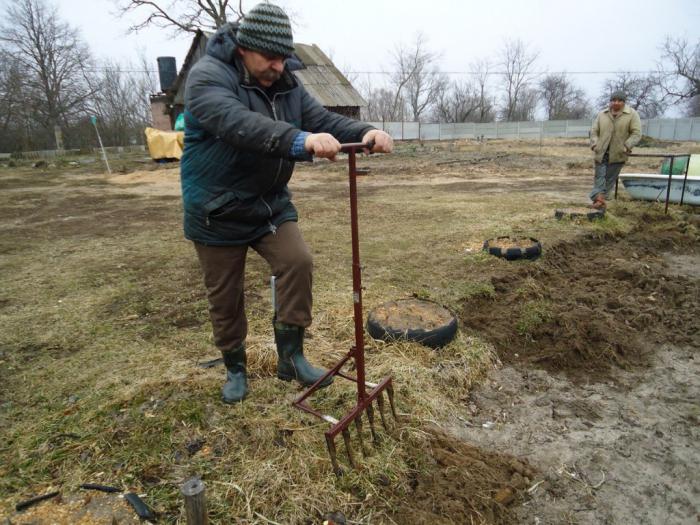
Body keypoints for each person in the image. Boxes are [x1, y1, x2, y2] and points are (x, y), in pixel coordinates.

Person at [180, 3, 393, 403]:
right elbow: (238, 124)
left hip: (268, 206)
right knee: (226, 297)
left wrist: (366, 130)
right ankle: (235, 369)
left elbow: (323, 120)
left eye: (283, 58)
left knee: (297, 262)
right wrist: (299, 141)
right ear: (245, 48)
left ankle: (291, 357)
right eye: (271, 58)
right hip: (216, 211)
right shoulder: (207, 79)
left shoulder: (286, 84)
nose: (279, 66)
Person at [589, 91, 642, 209]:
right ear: (610, 101)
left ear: (624, 102)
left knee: (609, 178)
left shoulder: (632, 114)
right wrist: (594, 143)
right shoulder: (602, 114)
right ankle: (599, 200)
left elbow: (636, 134)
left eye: (619, 100)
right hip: (601, 151)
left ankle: (600, 200)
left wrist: (627, 145)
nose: (616, 103)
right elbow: (594, 131)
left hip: (618, 153)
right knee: (599, 177)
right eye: (613, 100)